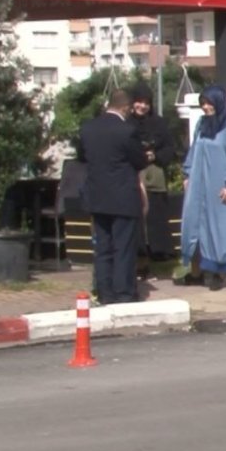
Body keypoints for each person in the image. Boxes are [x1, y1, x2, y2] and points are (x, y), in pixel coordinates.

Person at [78, 89, 149, 304]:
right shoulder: (127, 130)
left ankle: (104, 292)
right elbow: (139, 161)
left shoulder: (88, 129)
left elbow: (83, 157)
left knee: (103, 247)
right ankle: (124, 293)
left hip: (98, 196)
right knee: (124, 248)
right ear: (126, 108)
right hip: (123, 197)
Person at [177, 86, 226, 291]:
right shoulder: (202, 124)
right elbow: (194, 149)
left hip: (220, 186)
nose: (206, 107)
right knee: (194, 225)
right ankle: (197, 272)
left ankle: (217, 274)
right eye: (202, 103)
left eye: (209, 103)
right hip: (198, 183)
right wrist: (188, 173)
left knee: (219, 229)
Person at [129, 82, 177, 266]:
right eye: (139, 102)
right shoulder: (126, 123)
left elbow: (170, 148)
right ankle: (139, 256)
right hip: (134, 176)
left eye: (146, 103)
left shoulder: (158, 123)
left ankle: (159, 253)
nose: (142, 106)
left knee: (156, 216)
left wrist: (154, 155)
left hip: (155, 176)